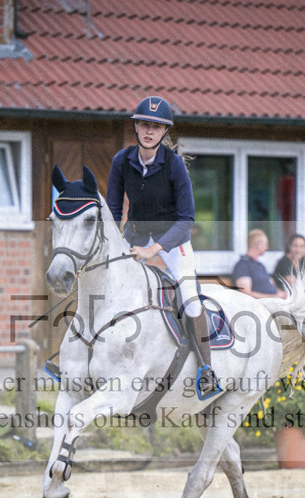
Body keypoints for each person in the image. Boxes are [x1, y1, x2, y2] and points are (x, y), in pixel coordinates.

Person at [106, 95, 220, 399]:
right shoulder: (122, 161)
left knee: (190, 299)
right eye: (144, 124)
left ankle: (205, 370)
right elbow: (114, 211)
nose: (148, 131)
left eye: (156, 127)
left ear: (164, 132)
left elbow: (187, 219)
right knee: (106, 285)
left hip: (173, 242)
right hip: (135, 238)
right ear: (136, 126)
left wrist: (153, 250)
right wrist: (114, 246)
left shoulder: (174, 166)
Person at [233, 229, 286, 299]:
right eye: (266, 244)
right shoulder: (242, 266)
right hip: (261, 306)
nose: (267, 248)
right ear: (259, 245)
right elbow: (246, 294)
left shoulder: (260, 266)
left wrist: (282, 294)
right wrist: (275, 297)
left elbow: (273, 286)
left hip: (275, 302)